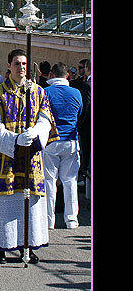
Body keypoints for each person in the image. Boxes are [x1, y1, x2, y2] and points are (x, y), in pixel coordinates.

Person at [0, 48, 59, 264]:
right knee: (4, 203)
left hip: (31, 158)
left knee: (30, 202)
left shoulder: (38, 92)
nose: (21, 68)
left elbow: (46, 119)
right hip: (5, 158)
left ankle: (27, 245)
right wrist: (14, 141)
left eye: (25, 64)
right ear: (9, 66)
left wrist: (35, 134)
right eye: (17, 64)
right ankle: (0, 247)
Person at [43, 62, 83, 229]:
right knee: (70, 181)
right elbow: (80, 113)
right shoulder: (76, 93)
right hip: (71, 140)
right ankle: (71, 219)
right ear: (67, 75)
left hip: (51, 141)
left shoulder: (45, 92)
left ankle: (48, 220)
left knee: (49, 182)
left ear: (51, 74)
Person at [78, 59, 91, 189]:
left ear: (87, 69)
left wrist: (80, 125)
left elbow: (86, 107)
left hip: (88, 128)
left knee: (86, 153)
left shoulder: (88, 85)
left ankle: (87, 183)